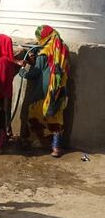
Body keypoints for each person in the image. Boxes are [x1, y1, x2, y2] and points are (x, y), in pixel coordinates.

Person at [18, 25, 69, 158]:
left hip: (44, 89)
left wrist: (22, 71)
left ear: (43, 37)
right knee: (56, 115)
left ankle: (30, 142)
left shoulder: (43, 52)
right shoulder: (62, 48)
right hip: (59, 88)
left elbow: (35, 73)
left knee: (34, 112)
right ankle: (56, 148)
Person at [0, 34, 21, 139]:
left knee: (0, 115)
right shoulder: (9, 59)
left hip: (1, 92)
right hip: (7, 91)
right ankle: (7, 132)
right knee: (6, 113)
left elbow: (2, 79)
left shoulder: (2, 60)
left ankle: (1, 136)